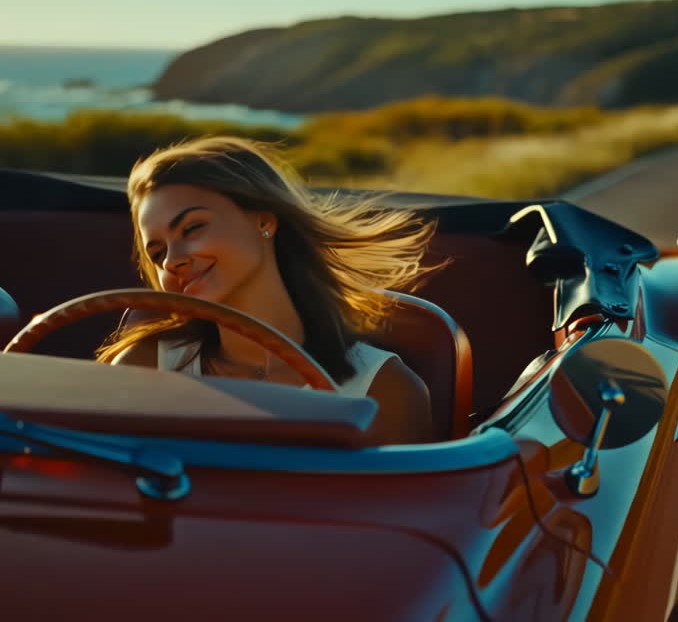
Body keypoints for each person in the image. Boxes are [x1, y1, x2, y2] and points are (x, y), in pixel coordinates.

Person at [98, 136, 438, 444]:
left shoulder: (383, 389)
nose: (172, 261)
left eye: (192, 228)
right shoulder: (144, 368)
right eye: (157, 253)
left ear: (264, 220)